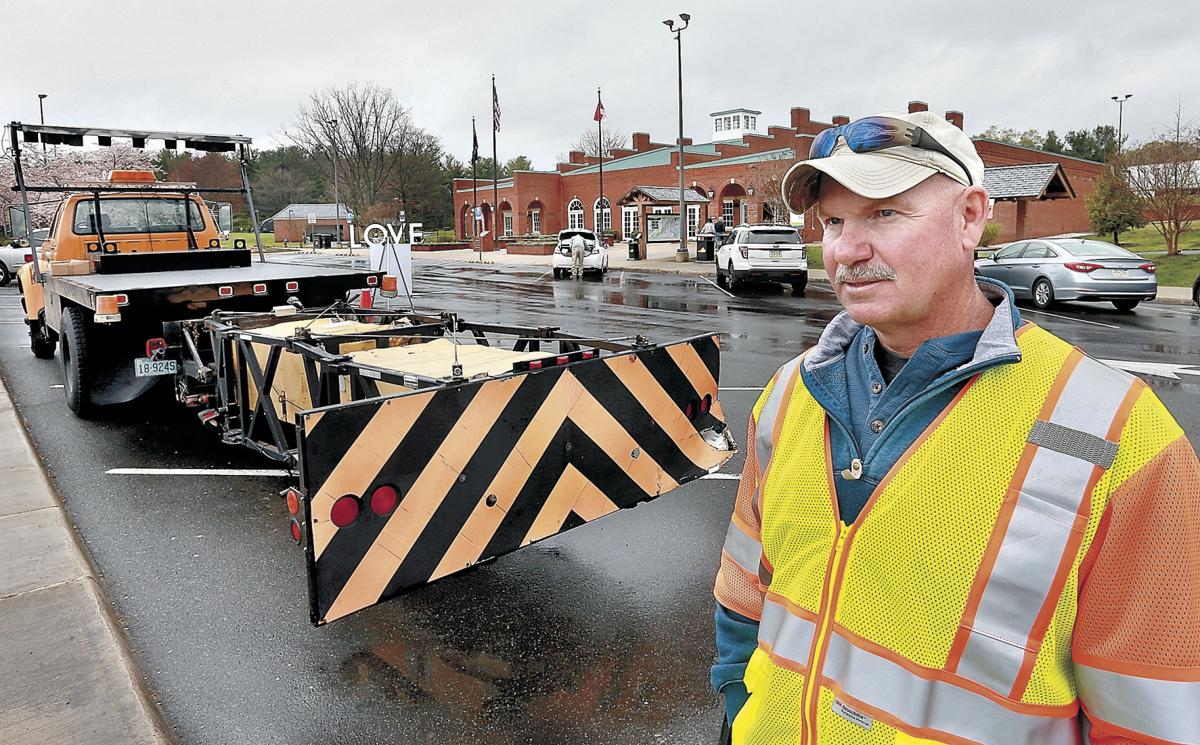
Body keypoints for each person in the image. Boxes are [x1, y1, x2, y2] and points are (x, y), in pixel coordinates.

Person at [711, 111, 1200, 744]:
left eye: (884, 214)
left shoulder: (1121, 435)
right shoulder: (789, 392)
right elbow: (745, 591)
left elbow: (1151, 714)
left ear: (970, 217)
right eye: (833, 221)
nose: (845, 250)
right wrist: (733, 708)